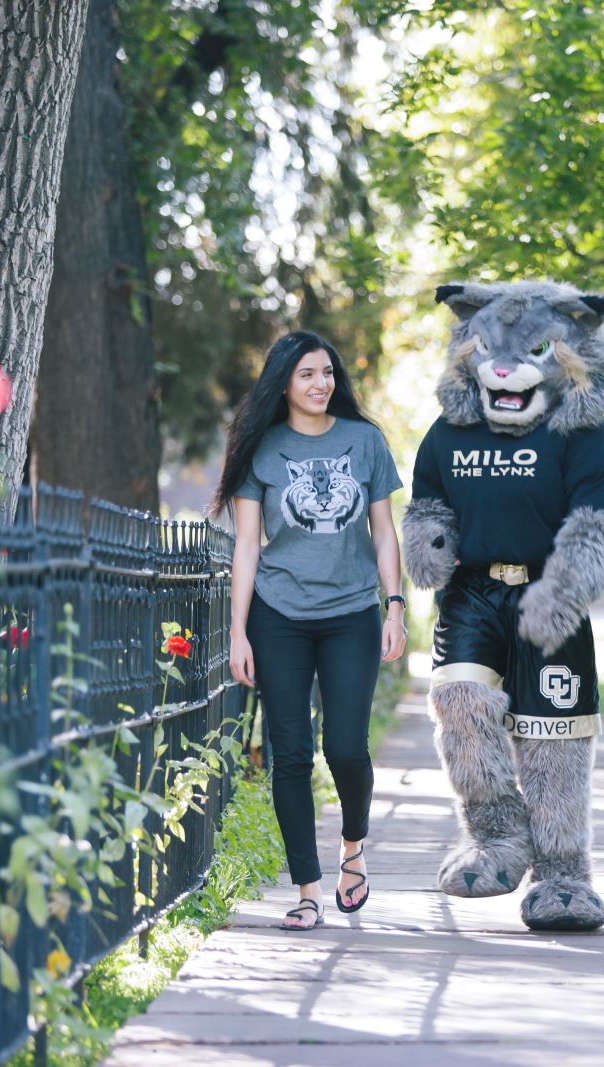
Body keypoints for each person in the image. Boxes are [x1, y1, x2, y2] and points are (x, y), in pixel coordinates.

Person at [212, 330, 406, 930]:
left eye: (327, 373)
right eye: (307, 375)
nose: (321, 384)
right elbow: (247, 545)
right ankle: (306, 890)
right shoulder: (262, 448)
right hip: (279, 615)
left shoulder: (364, 441)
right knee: (290, 754)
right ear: (284, 383)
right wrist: (237, 631)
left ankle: (353, 847)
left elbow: (382, 530)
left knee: (345, 746)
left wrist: (394, 605)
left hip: (351, 612)